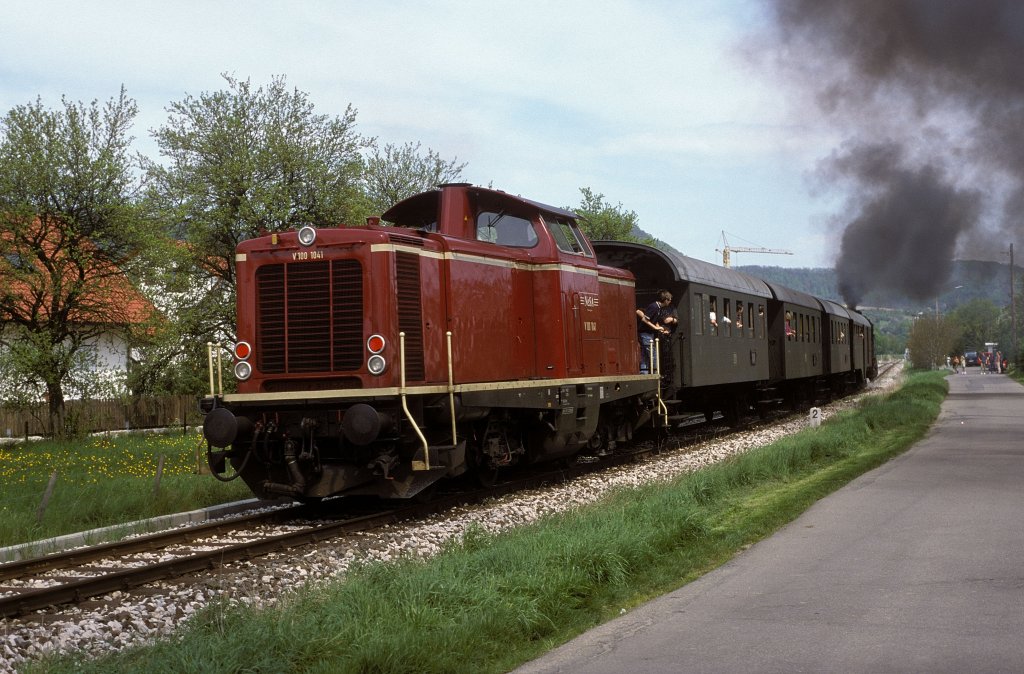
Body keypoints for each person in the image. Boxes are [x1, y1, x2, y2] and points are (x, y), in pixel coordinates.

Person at [636, 290, 672, 374]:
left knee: (645, 355)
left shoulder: (658, 308)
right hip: (645, 333)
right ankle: (655, 374)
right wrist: (655, 328)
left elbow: (653, 319)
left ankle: (643, 374)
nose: (670, 302)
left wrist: (658, 327)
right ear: (666, 299)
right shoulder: (654, 307)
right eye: (670, 300)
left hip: (648, 334)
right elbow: (645, 319)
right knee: (653, 355)